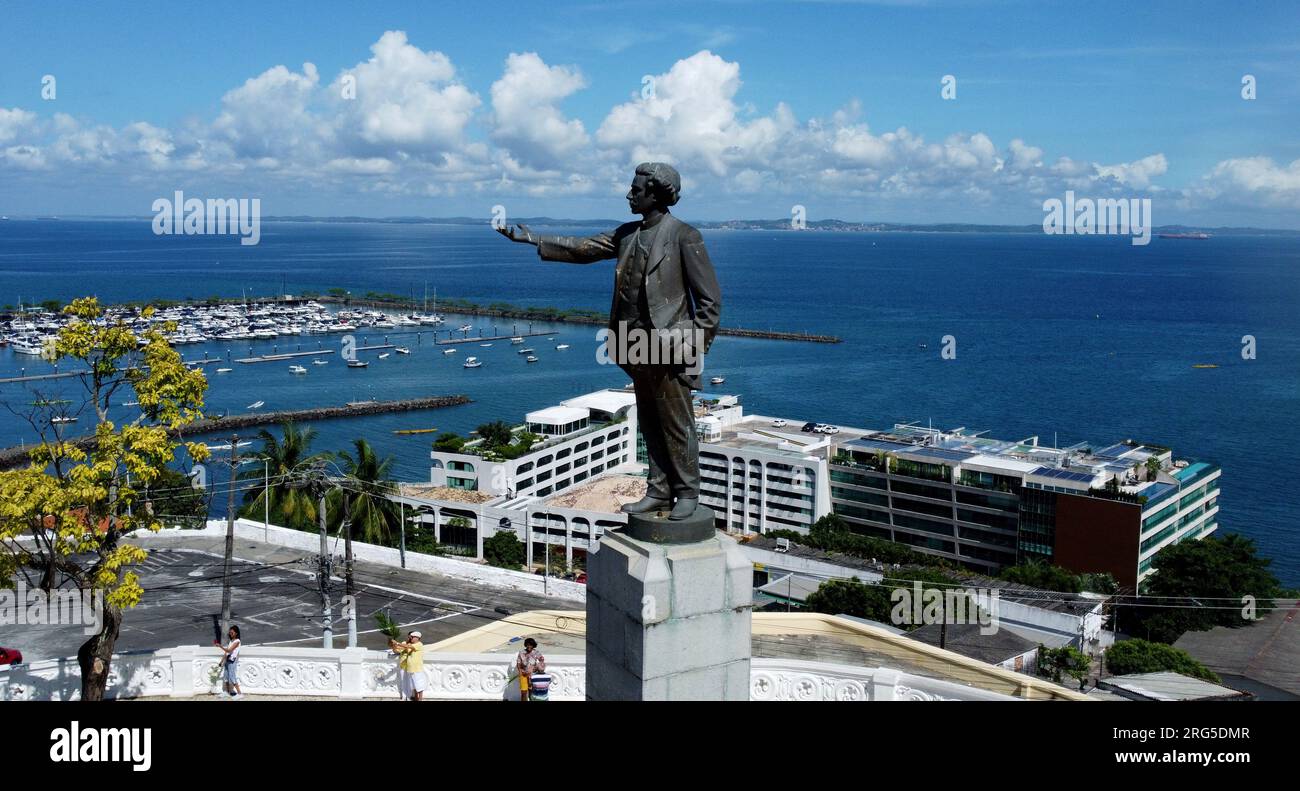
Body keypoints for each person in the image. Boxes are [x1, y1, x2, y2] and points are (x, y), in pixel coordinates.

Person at [497, 163, 721, 521]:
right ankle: (660, 489)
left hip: (671, 350)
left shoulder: (684, 236)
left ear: (657, 193)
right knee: (649, 421)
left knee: (677, 424)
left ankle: (687, 492)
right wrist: (535, 239)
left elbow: (710, 303)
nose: (629, 194)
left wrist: (690, 348)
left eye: (636, 189)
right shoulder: (627, 234)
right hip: (635, 346)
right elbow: (584, 248)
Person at [389, 630, 426, 702]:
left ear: (417, 637)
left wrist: (397, 643)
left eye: (412, 637)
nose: (410, 638)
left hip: (417, 668)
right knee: (413, 684)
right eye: (410, 637)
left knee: (419, 685)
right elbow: (398, 650)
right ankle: (414, 698)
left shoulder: (419, 644)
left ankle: (420, 699)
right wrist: (393, 645)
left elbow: (408, 647)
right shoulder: (407, 644)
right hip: (409, 668)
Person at [214, 625, 243, 700]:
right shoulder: (231, 641)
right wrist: (221, 661)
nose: (231, 634)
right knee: (226, 677)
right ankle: (227, 692)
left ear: (236, 633)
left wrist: (220, 646)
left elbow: (229, 650)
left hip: (232, 662)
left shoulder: (237, 641)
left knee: (232, 677)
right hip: (227, 661)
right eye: (230, 632)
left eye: (232, 632)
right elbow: (226, 653)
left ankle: (240, 693)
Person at [515, 637, 546, 702]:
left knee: (531, 691)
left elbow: (541, 660)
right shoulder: (521, 652)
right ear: (525, 645)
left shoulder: (536, 652)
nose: (529, 646)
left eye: (531, 645)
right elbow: (518, 663)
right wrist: (520, 671)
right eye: (528, 644)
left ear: (533, 645)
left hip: (532, 675)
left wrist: (538, 667)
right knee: (523, 692)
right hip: (523, 674)